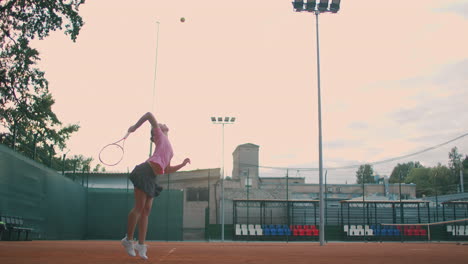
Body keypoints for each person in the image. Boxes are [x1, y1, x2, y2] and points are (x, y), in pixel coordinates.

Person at [121, 112, 190, 260]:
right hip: (144, 171)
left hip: (152, 177)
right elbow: (148, 115)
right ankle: (128, 240)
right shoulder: (159, 134)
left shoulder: (170, 149)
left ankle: (141, 244)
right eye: (160, 124)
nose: (162, 123)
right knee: (139, 208)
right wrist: (134, 127)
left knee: (146, 211)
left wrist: (182, 164)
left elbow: (167, 169)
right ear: (155, 132)